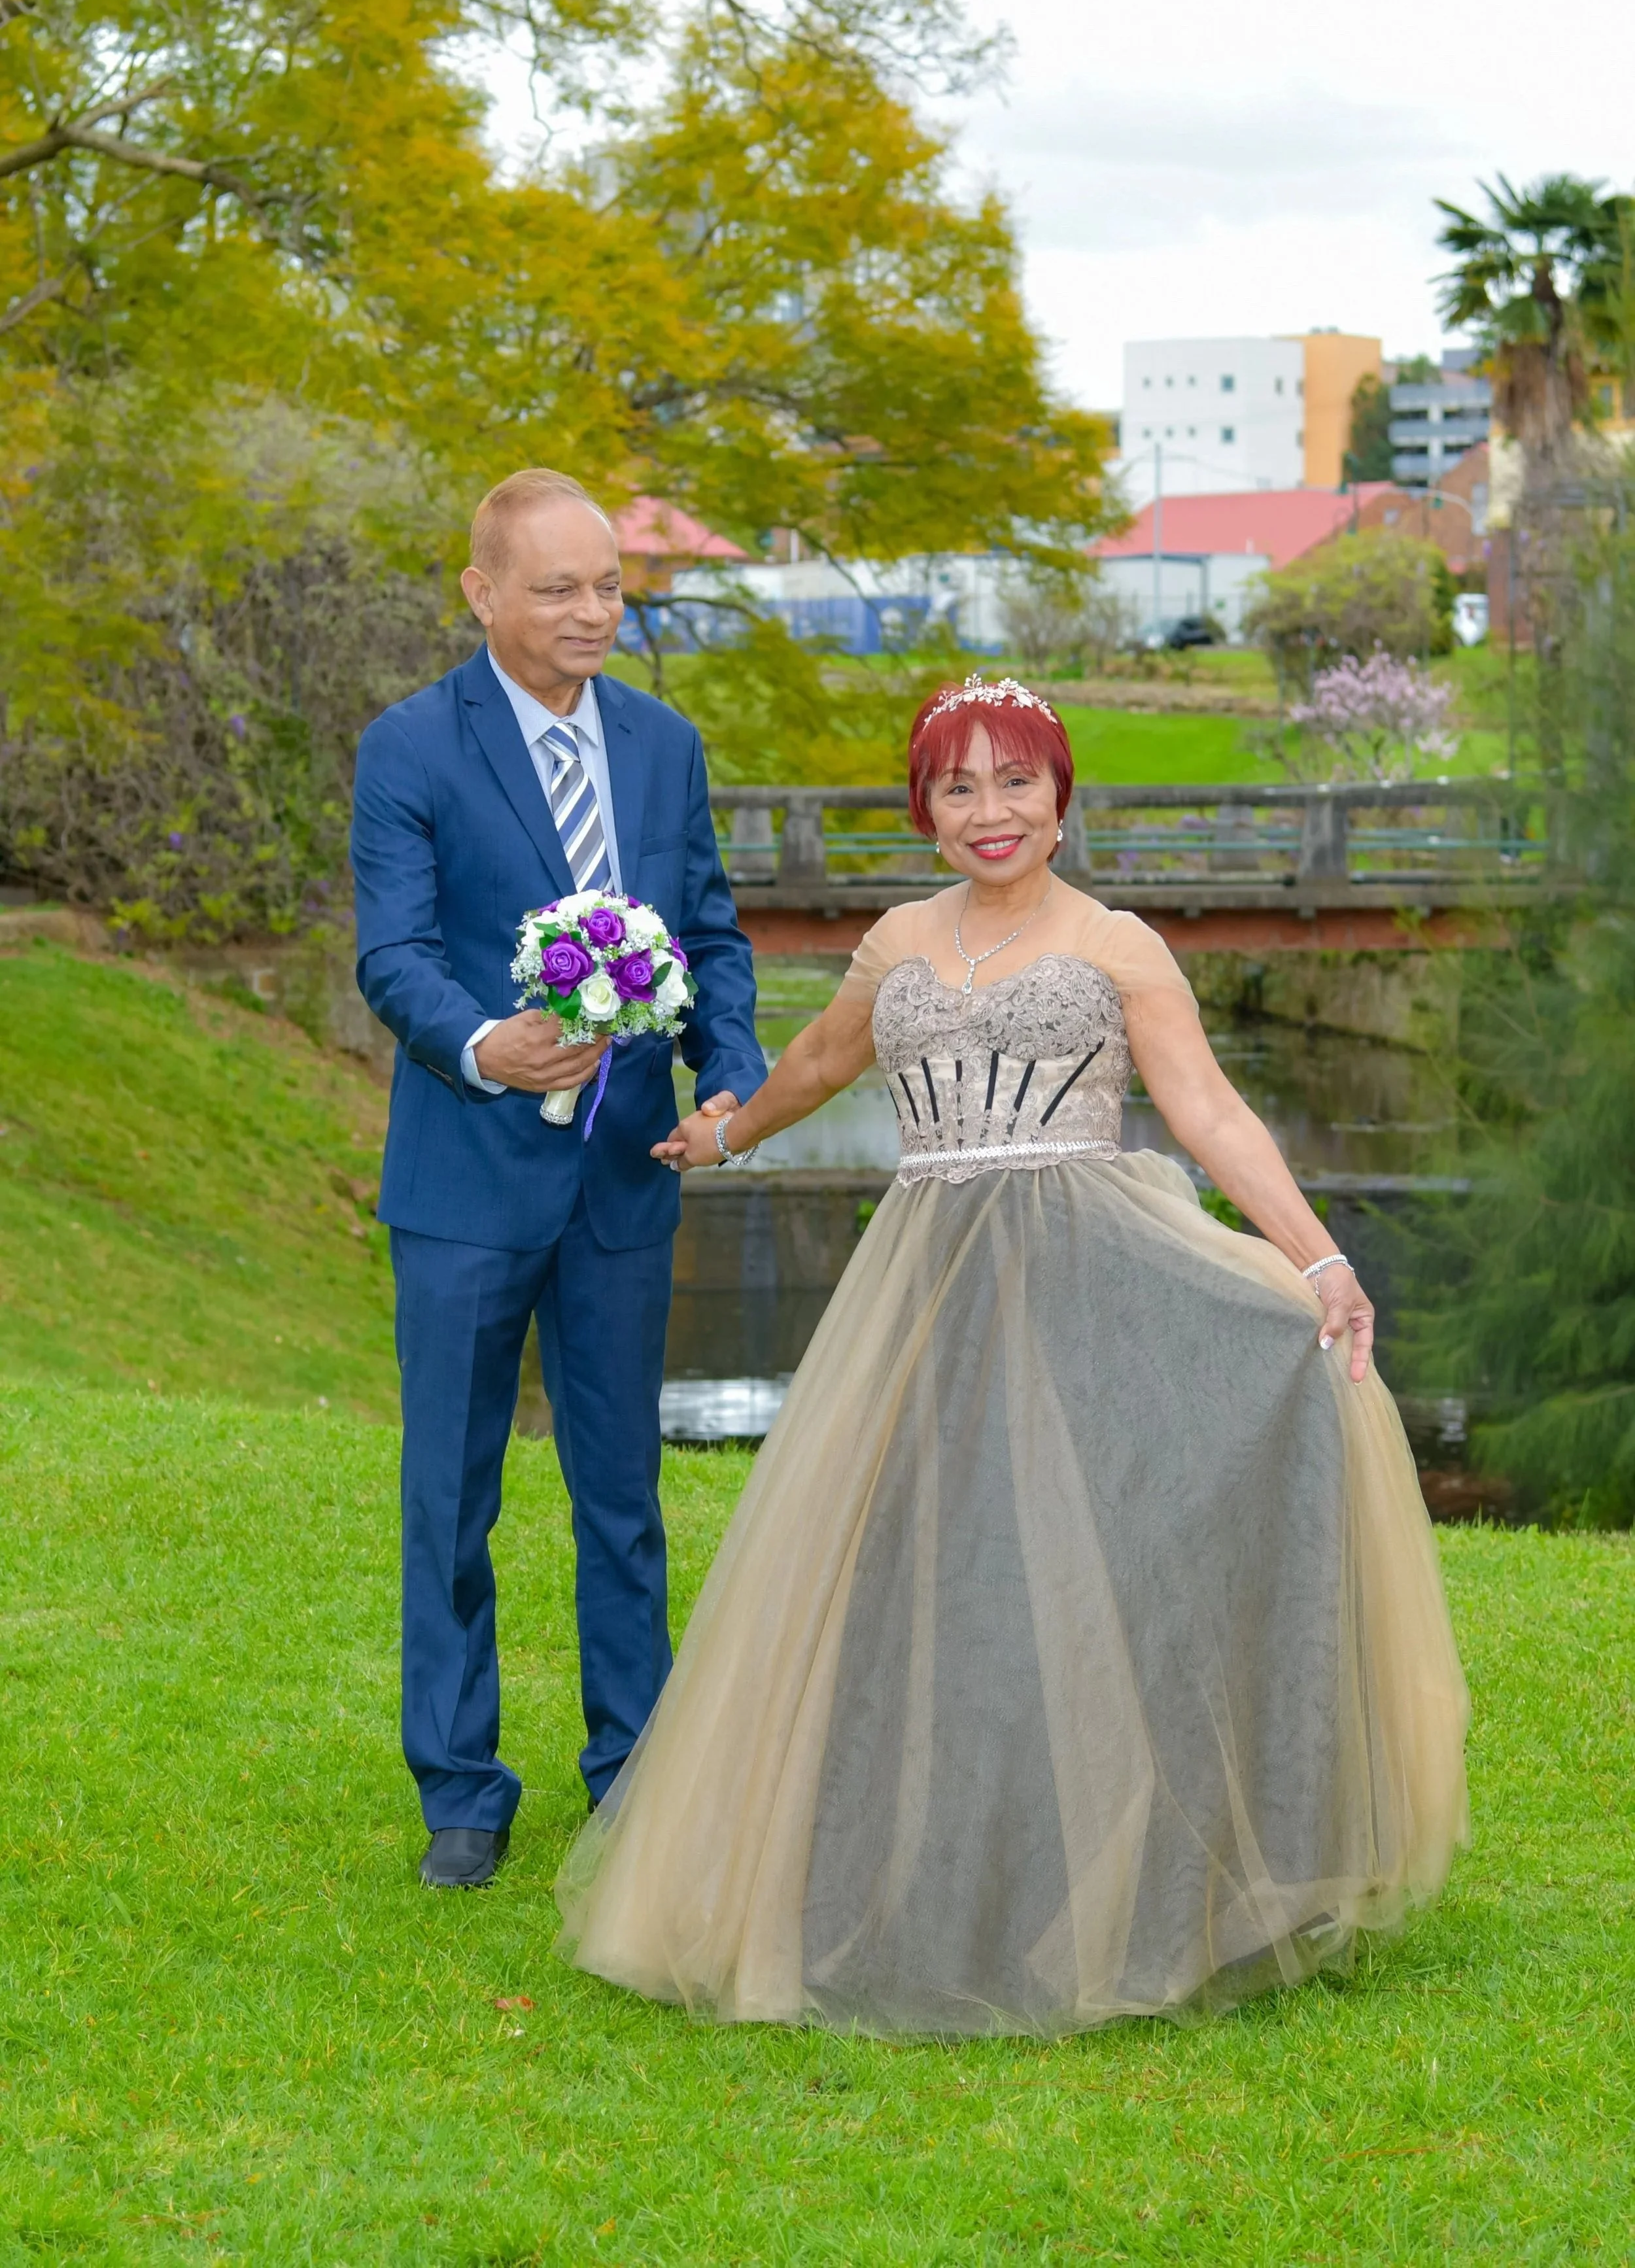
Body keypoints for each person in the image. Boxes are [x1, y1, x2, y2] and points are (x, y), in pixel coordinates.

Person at [555, 674, 1468, 2035]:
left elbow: (1206, 1112)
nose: (989, 811)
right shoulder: (894, 943)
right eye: (957, 786)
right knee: (919, 1569)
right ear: (924, 809)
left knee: (1092, 1565)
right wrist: (723, 1133)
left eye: (1014, 782)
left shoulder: (1117, 946)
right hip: (921, 1289)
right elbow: (816, 1060)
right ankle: (910, 1880)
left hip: (1087, 1273)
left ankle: (1155, 1873)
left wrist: (1315, 1259)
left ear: (1058, 798)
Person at [351, 468, 764, 1890]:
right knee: (449, 1498)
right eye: (559, 589)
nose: (595, 613)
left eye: (608, 585)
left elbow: (709, 930)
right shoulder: (408, 748)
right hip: (462, 1186)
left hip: (623, 1187)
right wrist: (480, 1043)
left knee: (621, 1494)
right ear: (480, 594)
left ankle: (634, 1771)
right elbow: (392, 954)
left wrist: (731, 1070)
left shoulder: (664, 745)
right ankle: (461, 1788)